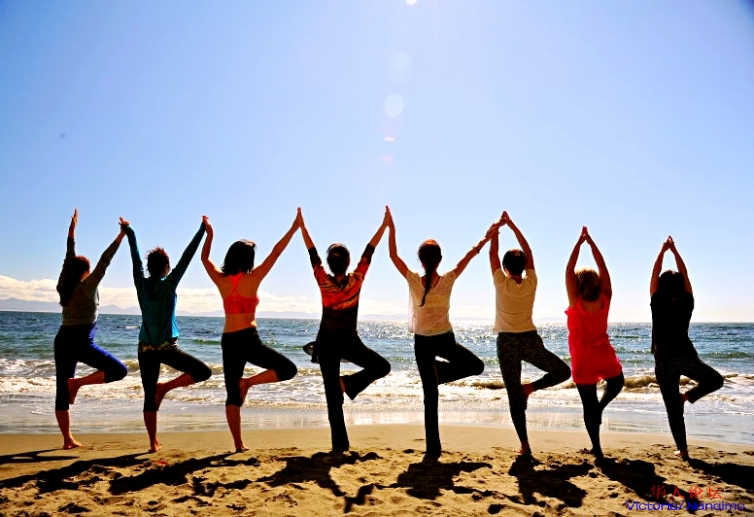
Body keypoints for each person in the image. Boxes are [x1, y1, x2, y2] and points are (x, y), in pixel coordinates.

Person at [386, 207, 488, 459]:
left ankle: (437, 376)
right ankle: (433, 447)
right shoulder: (448, 279)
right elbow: (468, 257)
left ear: (421, 260)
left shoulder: (413, 280)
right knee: (475, 367)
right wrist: (486, 239)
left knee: (430, 395)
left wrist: (391, 226)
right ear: (440, 259)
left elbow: (393, 255)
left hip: (424, 343)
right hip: (443, 340)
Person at [201, 213, 299, 452]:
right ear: (249, 260)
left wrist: (209, 234)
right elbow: (276, 252)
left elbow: (204, 258)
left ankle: (238, 443)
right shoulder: (253, 278)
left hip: (229, 340)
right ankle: (247, 384)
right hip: (248, 339)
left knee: (233, 395)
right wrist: (294, 227)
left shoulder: (221, 280)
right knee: (288, 369)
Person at [298, 208, 391, 452]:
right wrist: (384, 226)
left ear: (329, 263)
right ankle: (347, 385)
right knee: (382, 367)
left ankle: (340, 445)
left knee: (333, 399)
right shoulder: (356, 280)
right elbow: (369, 251)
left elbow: (312, 253)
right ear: (348, 262)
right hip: (348, 342)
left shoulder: (323, 280)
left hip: (327, 343)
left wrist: (302, 227)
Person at [122, 217, 212, 453]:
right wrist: (202, 230)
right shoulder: (169, 283)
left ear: (149, 267)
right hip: (166, 348)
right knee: (203, 372)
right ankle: (165, 388)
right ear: (166, 267)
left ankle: (152, 442)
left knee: (148, 396)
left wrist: (129, 232)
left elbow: (135, 258)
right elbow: (187, 257)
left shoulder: (140, 284)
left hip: (144, 347)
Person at [490, 211, 570, 455]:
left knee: (514, 394)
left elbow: (492, 254)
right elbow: (529, 252)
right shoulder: (531, 282)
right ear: (524, 267)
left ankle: (524, 445)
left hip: (507, 342)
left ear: (505, 268)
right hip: (529, 339)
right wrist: (513, 225)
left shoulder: (501, 282)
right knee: (563, 371)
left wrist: (496, 229)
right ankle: (530, 388)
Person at [54, 209, 129, 449]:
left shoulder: (64, 283)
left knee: (61, 389)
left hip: (63, 339)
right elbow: (105, 260)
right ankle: (77, 384)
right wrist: (121, 235)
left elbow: (69, 255)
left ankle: (67, 439)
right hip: (82, 342)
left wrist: (72, 231)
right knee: (119, 370)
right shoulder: (87, 286)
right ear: (85, 272)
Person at [650, 236, 723, 460]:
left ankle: (683, 451)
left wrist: (663, 251)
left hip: (664, 361)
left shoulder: (657, 300)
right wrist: (674, 251)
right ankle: (687, 397)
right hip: (686, 357)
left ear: (661, 286)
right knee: (715, 380)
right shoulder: (687, 301)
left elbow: (654, 274)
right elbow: (686, 275)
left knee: (673, 409)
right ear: (681, 285)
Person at [565, 226, 624, 460]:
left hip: (582, 358)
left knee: (588, 406)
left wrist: (578, 244)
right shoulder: (605, 298)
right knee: (617, 382)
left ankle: (597, 449)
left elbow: (568, 269)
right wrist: (591, 244)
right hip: (603, 353)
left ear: (578, 285)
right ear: (597, 283)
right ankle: (601, 406)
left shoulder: (575, 301)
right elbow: (604, 269)